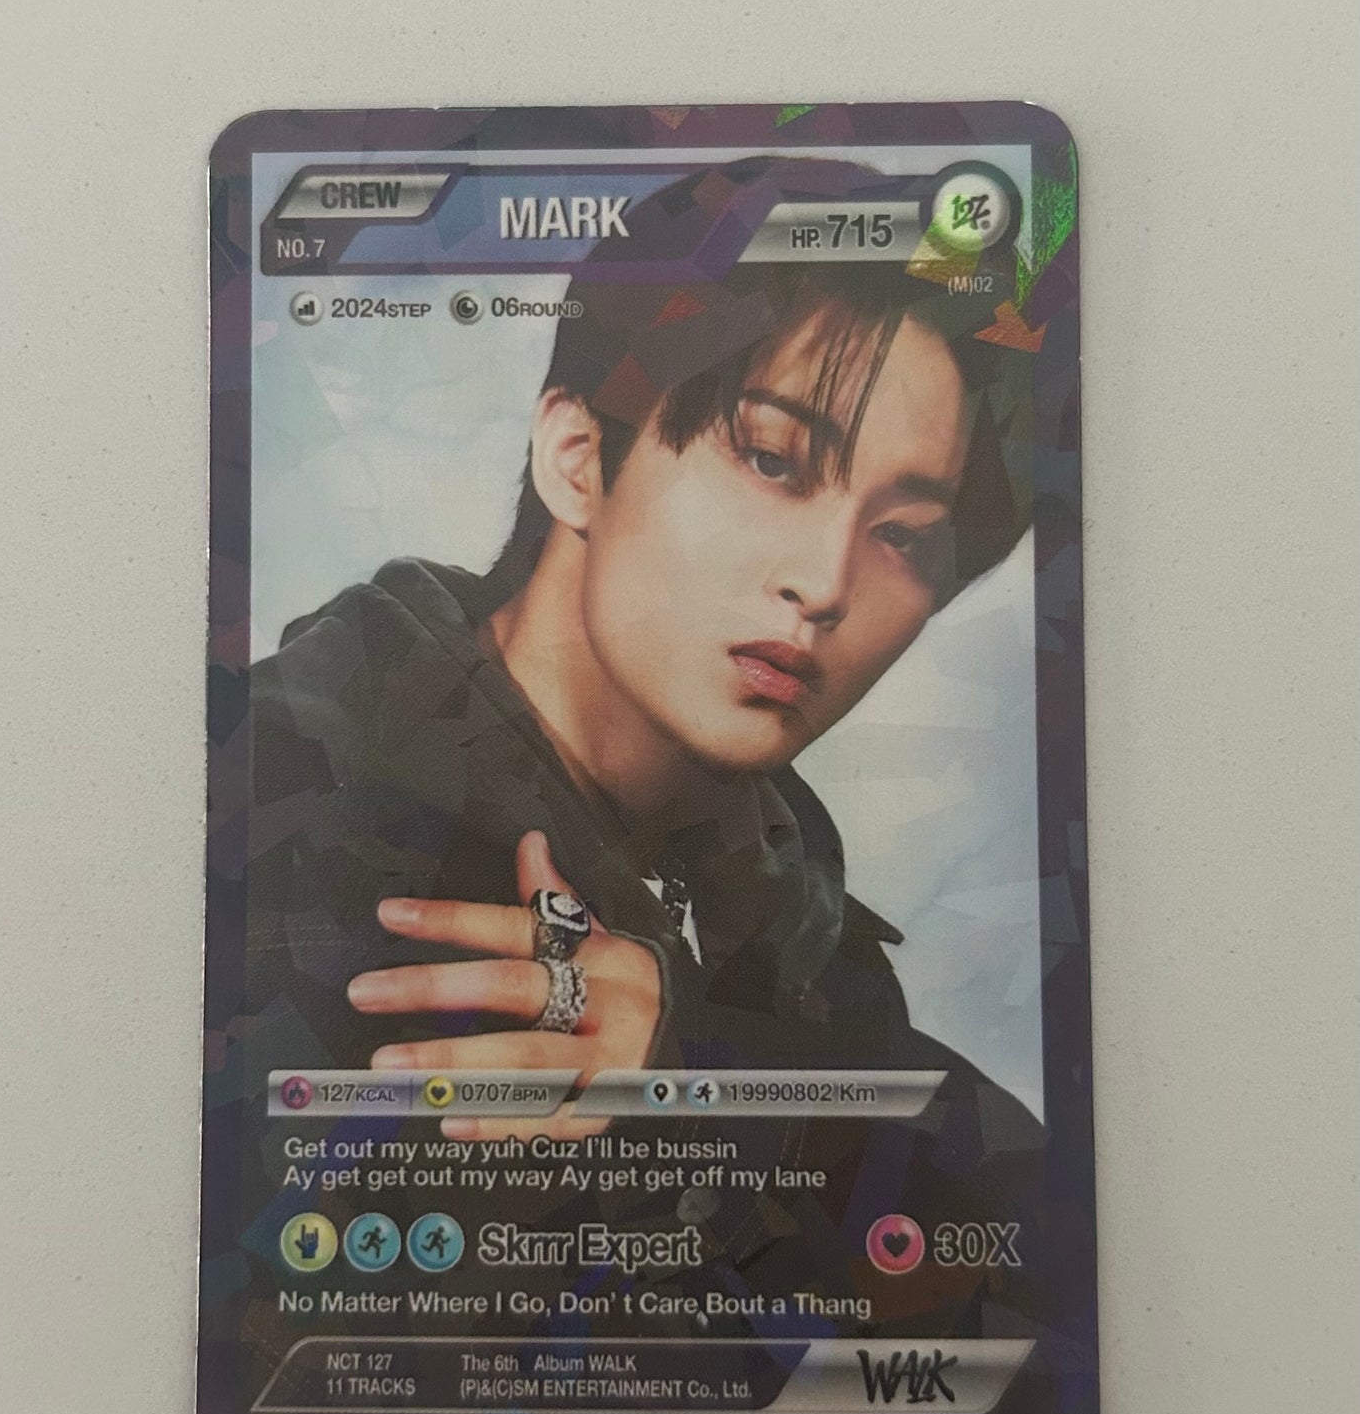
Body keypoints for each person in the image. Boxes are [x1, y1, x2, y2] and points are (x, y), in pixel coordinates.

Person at [242, 157, 1039, 1154]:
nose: (826, 584)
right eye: (771, 460)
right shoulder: (272, 814)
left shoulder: (798, 930)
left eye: (904, 537)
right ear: (577, 459)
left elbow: (1015, 1206)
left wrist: (699, 1063)